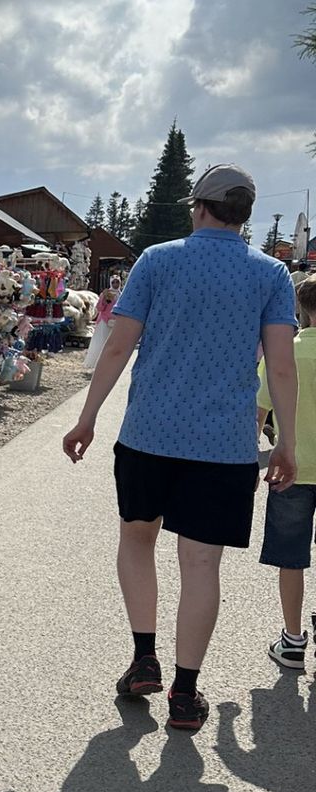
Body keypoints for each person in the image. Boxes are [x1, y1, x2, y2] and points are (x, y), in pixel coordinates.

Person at [62, 163, 299, 732]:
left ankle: (144, 656)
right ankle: (186, 694)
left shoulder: (157, 260)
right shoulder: (271, 275)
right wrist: (286, 443)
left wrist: (88, 417)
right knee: (201, 564)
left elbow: (118, 348)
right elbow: (283, 368)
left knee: (137, 537)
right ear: (246, 214)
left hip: (149, 436)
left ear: (198, 206)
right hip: (224, 447)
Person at [256, 278, 316, 670]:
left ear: (302, 308)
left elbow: (258, 414)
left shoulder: (285, 353)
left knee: (291, 558)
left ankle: (293, 641)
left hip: (291, 466)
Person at [83, 275, 121, 372]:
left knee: (112, 343)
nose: (115, 284)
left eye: (117, 282)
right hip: (104, 321)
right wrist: (104, 300)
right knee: (100, 342)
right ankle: (97, 364)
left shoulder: (122, 294)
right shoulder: (106, 293)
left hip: (116, 322)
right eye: (113, 282)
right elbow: (99, 308)